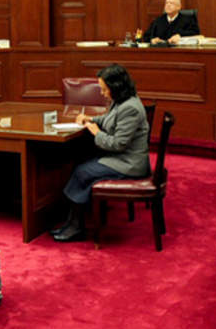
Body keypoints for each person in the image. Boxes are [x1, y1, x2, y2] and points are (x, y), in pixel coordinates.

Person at [52, 64, 151, 242]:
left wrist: (97, 132)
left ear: (116, 87)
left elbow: (118, 144)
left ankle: (76, 227)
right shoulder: (122, 100)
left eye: (105, 89)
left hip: (129, 163)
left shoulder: (131, 108)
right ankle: (72, 223)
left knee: (82, 172)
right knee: (80, 164)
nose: (103, 94)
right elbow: (109, 119)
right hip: (120, 158)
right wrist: (91, 119)